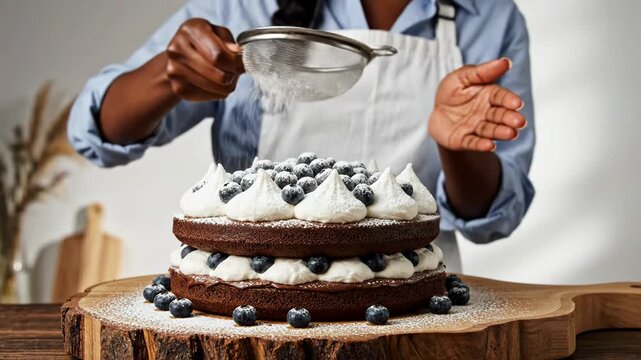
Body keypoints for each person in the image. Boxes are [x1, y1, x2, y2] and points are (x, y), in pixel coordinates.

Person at [68, 0, 535, 271]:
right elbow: (96, 133)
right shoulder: (243, 5)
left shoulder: (489, 17)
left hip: (411, 304)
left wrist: (457, 150)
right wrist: (167, 75)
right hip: (252, 300)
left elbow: (493, 217)